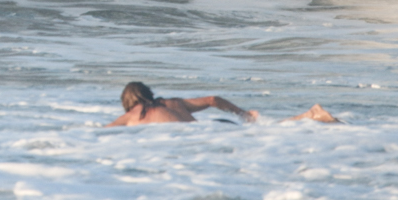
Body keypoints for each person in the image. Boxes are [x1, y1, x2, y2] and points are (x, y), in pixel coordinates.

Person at [105, 81, 341, 127]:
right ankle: (310, 115)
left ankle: (311, 116)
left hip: (205, 138)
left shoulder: (133, 116)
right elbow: (212, 100)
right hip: (215, 128)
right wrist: (242, 113)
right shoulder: (173, 102)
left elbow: (104, 132)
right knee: (267, 130)